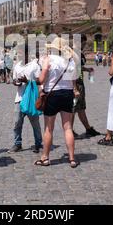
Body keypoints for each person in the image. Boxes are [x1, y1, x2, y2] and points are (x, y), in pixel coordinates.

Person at [35, 37, 80, 168]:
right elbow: (74, 80)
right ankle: (72, 158)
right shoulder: (70, 61)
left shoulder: (48, 59)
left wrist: (35, 80)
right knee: (68, 128)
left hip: (52, 95)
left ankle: (45, 157)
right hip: (67, 93)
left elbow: (42, 80)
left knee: (49, 128)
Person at [8, 45, 43, 154]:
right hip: (19, 98)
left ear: (27, 53)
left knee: (35, 123)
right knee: (17, 122)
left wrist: (28, 81)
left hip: (31, 98)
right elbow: (14, 80)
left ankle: (38, 143)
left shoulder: (34, 66)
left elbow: (40, 81)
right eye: (18, 53)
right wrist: (16, 82)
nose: (19, 55)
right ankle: (17, 144)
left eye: (21, 52)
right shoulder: (17, 65)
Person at [72, 35, 101, 138]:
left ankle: (88, 129)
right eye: (83, 43)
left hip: (79, 83)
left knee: (80, 108)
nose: (84, 45)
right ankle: (69, 131)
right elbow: (72, 71)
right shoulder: (73, 54)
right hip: (76, 84)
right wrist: (74, 88)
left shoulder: (78, 53)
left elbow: (79, 68)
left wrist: (87, 69)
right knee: (74, 108)